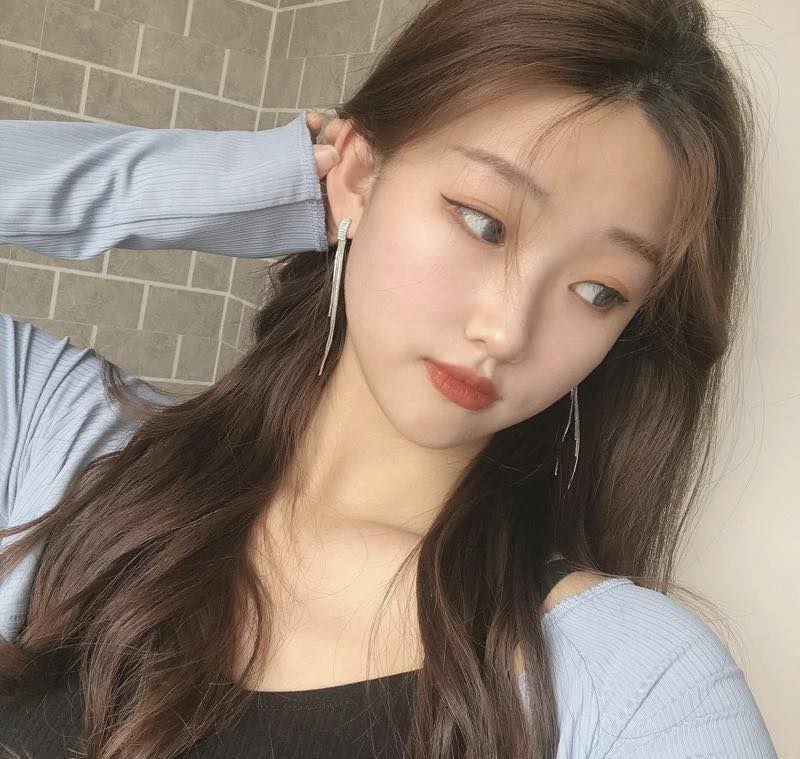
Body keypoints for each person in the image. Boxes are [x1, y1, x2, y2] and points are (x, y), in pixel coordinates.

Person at [0, 0, 780, 757]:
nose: (507, 330)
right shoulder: (59, 444)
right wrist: (283, 184)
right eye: (484, 222)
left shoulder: (643, 685)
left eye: (598, 290)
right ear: (361, 174)